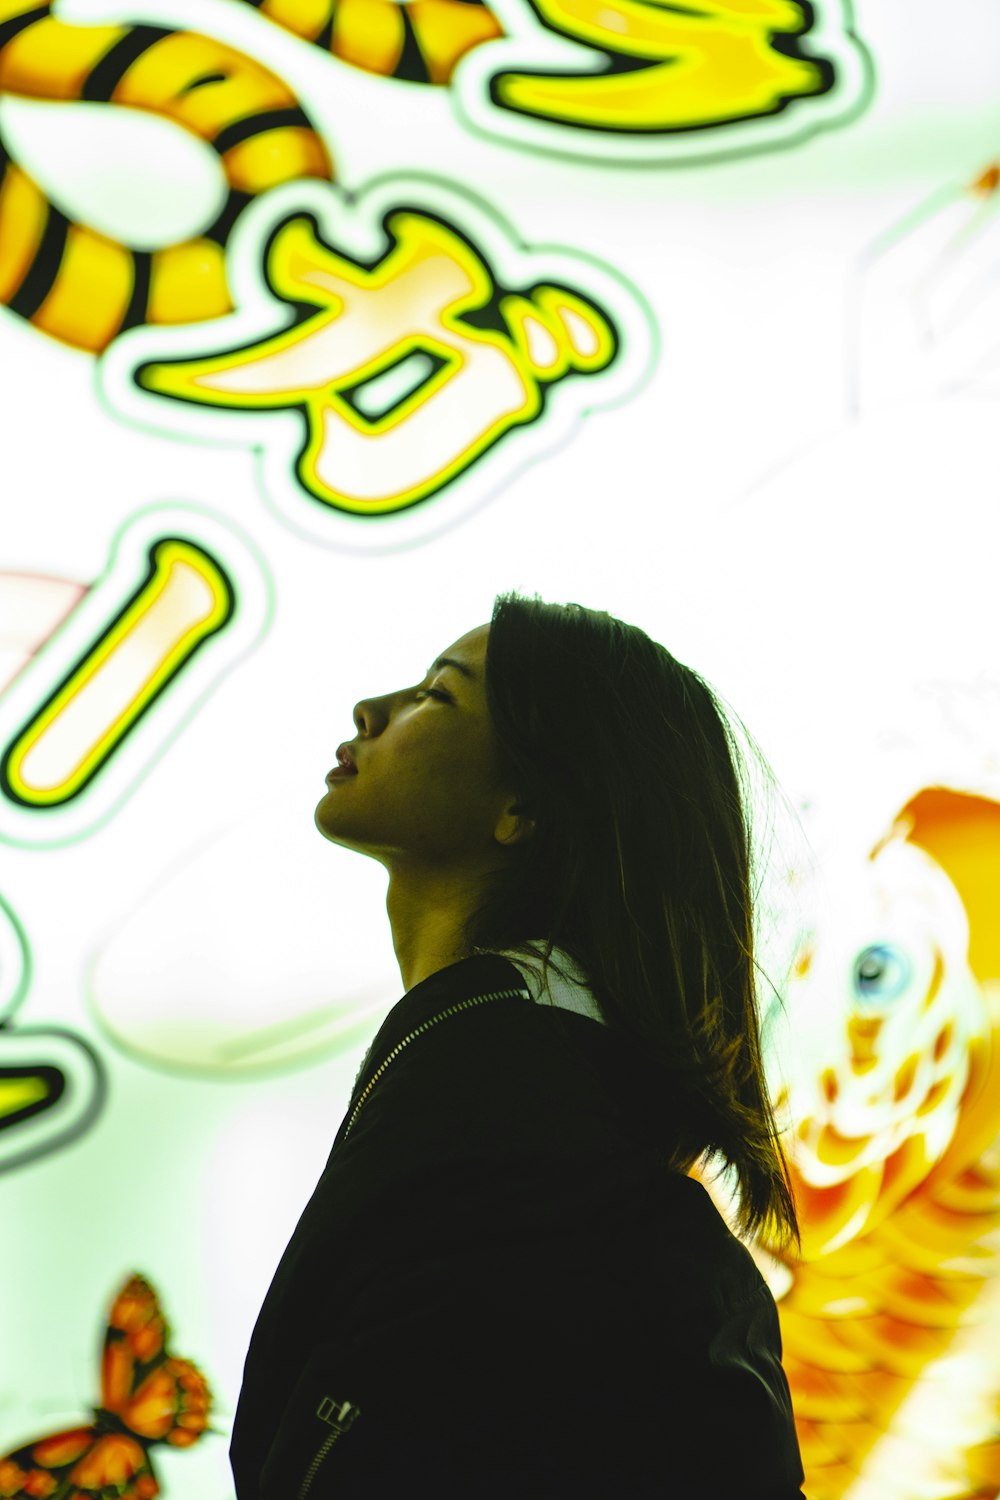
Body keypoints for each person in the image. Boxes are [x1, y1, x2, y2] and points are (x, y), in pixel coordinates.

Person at [229, 591, 808, 1498]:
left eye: (437, 695)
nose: (370, 712)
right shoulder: (534, 1066)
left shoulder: (504, 1083)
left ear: (523, 806)